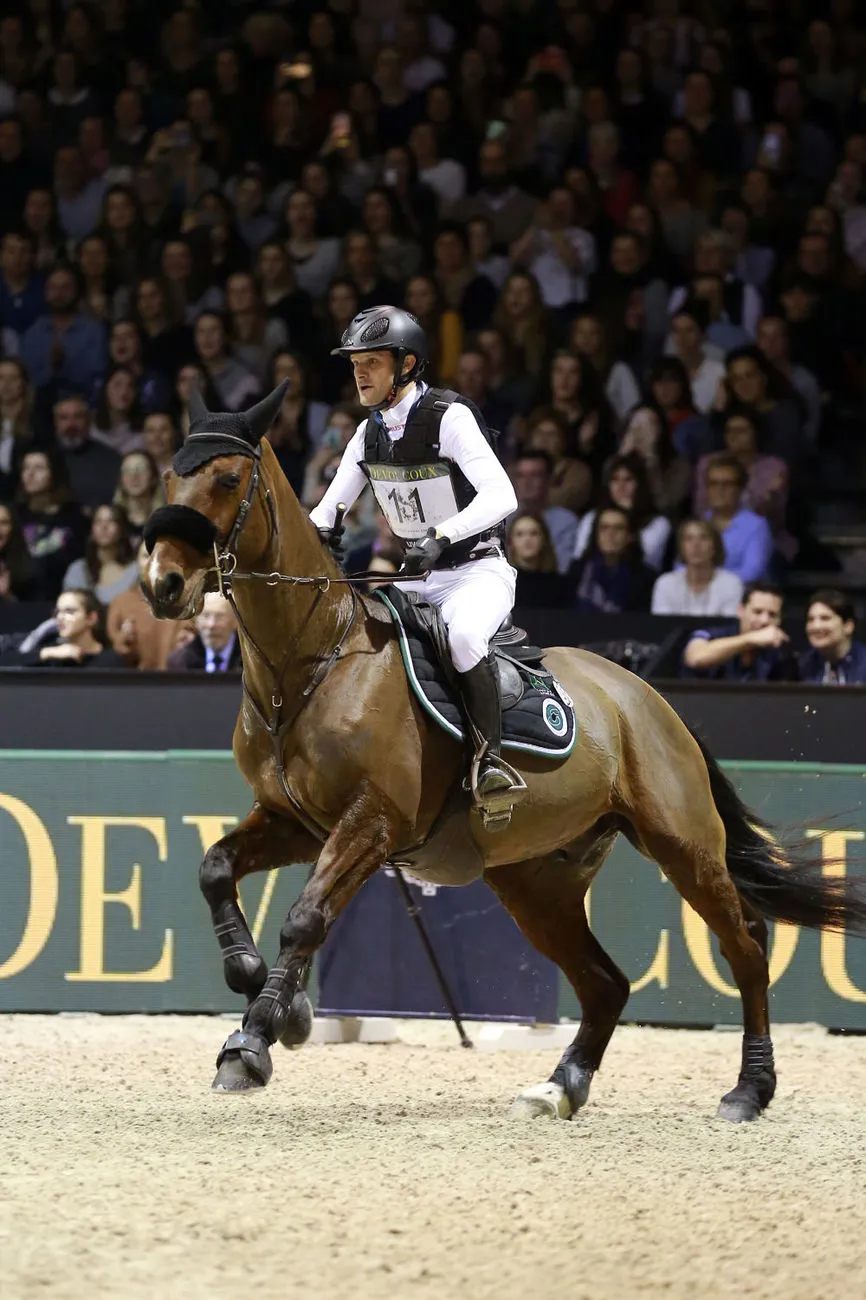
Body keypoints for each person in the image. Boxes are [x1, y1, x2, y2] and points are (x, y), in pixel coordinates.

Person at [309, 304, 525, 827]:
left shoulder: (449, 417)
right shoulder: (368, 434)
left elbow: (503, 495)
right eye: (355, 364)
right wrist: (307, 539)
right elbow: (326, 512)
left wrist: (442, 535)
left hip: (476, 571)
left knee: (464, 638)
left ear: (406, 365)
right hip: (415, 581)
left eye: (372, 362)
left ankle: (490, 765)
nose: (360, 374)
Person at [681, 581, 796, 681]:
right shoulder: (713, 634)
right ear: (740, 610)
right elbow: (695, 658)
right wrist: (751, 640)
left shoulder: (780, 652)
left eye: (772, 615)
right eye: (757, 612)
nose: (764, 620)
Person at [108, 541, 194, 670]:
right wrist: (124, 640)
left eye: (161, 556)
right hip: (135, 680)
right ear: (136, 561)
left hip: (177, 679)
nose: (153, 562)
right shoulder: (120, 603)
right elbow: (114, 654)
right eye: (146, 556)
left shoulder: (188, 601)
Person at [16, 447, 87, 600]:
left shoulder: (74, 516)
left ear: (54, 473)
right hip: (20, 600)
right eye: (26, 468)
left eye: (39, 468)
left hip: (63, 597)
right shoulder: (14, 515)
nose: (30, 474)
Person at [568, 505, 656, 613]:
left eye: (618, 528)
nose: (610, 534)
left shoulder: (646, 579)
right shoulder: (577, 570)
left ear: (630, 536)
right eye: (604, 528)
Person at [703, 453, 773, 583]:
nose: (720, 489)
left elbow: (751, 573)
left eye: (727, 484)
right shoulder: (698, 524)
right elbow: (680, 567)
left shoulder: (756, 526)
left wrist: (704, 579)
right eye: (713, 483)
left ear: (741, 489)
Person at [651, 518, 743, 616]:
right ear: (681, 548)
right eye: (689, 539)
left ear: (715, 546)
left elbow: (730, 624)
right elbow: (661, 623)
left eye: (703, 538)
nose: (696, 544)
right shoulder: (666, 584)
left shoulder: (731, 584)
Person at [18, 588, 124, 668]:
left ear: (91, 618)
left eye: (69, 611)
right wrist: (47, 652)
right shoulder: (54, 653)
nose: (60, 617)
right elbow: (12, 663)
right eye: (57, 612)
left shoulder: (111, 660)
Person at [510, 450, 578, 574]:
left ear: (548, 479)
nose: (527, 482)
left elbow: (563, 569)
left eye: (534, 475)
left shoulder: (565, 521)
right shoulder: (503, 518)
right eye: (521, 475)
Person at [63, 504, 138, 604]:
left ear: (122, 529)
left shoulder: (136, 571)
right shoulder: (78, 570)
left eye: (111, 521)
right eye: (98, 521)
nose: (104, 527)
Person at [799, 589, 866, 685]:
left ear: (848, 626)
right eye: (810, 619)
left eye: (825, 618)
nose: (816, 626)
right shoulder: (802, 665)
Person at [506, 511, 570, 609]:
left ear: (544, 539)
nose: (527, 539)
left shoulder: (560, 585)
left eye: (534, 533)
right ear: (511, 542)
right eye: (519, 534)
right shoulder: (505, 583)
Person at [166, 592, 242, 672]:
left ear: (236, 620)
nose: (211, 625)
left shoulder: (249, 661)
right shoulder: (179, 662)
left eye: (220, 617)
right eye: (205, 616)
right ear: (196, 621)